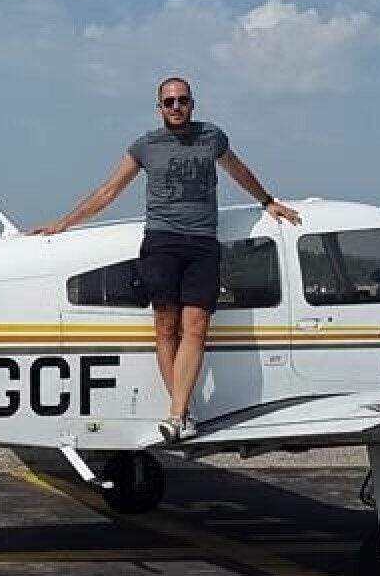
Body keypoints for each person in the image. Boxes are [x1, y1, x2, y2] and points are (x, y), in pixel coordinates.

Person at [30, 77, 301, 440]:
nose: (176, 107)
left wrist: (267, 201)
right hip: (162, 241)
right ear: (159, 107)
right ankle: (182, 411)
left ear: (192, 104)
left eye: (182, 100)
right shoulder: (145, 145)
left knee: (196, 327)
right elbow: (108, 191)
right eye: (169, 102)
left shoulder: (212, 137)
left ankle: (176, 414)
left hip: (202, 242)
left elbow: (238, 170)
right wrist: (63, 223)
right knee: (166, 327)